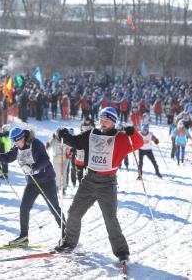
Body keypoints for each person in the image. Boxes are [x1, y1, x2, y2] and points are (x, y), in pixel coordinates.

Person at [54, 106, 143, 263]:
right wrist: (64, 135)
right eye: (101, 119)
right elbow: (76, 142)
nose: (103, 123)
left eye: (107, 121)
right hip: (88, 181)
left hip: (107, 183)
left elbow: (138, 143)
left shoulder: (120, 137)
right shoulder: (91, 134)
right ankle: (69, 243)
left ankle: (122, 252)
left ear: (113, 122)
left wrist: (132, 132)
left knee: (110, 219)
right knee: (74, 213)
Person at [0, 127, 65, 245]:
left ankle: (66, 234)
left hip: (46, 181)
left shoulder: (36, 144)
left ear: (22, 138)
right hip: (32, 183)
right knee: (24, 208)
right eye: (13, 141)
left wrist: (33, 167)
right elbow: (8, 157)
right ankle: (24, 237)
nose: (15, 144)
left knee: (54, 208)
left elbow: (45, 160)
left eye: (16, 141)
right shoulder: (17, 147)